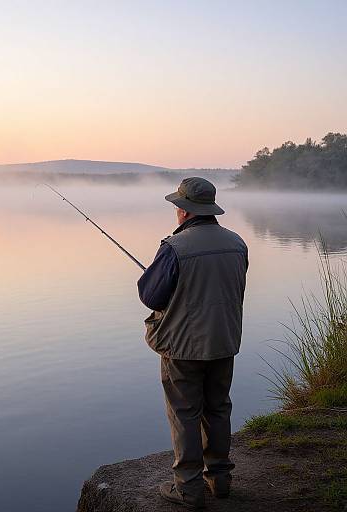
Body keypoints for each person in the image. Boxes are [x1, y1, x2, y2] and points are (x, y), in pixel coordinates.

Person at [137, 177, 248, 509]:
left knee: (185, 413)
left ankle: (188, 488)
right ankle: (220, 479)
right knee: (218, 407)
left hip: (183, 345)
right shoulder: (237, 243)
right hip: (224, 340)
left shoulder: (174, 248)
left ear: (184, 211)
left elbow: (150, 296)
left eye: (177, 206)